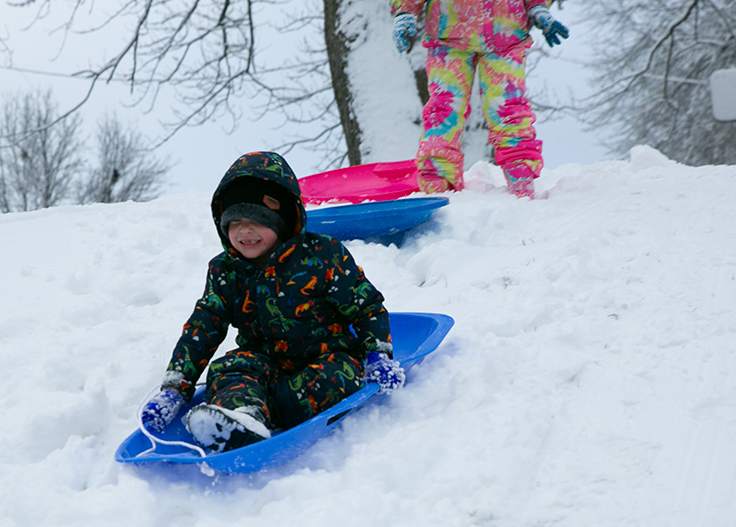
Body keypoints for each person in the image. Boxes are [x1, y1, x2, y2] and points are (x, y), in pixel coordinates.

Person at [140, 151, 405, 453]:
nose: (245, 231)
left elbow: (366, 307)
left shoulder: (322, 255)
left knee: (340, 375)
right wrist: (176, 387)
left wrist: (378, 355)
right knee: (227, 371)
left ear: (282, 220)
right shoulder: (225, 270)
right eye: (235, 222)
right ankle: (244, 415)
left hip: (325, 355)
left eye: (258, 220)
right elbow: (204, 325)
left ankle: (262, 410)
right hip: (263, 361)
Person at [390, 0, 569, 199]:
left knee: (446, 109)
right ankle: (516, 180)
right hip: (493, 25)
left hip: (465, 26)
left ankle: (440, 182)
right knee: (504, 109)